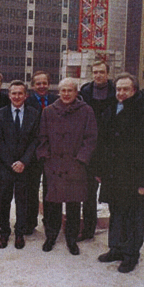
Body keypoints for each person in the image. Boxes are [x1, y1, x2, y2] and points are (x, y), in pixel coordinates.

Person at [96, 73, 144, 273]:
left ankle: (131, 254)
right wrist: (99, 170)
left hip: (134, 177)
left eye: (126, 89)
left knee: (133, 216)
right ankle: (115, 248)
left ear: (134, 90)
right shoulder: (111, 110)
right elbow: (102, 143)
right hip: (113, 175)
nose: (121, 93)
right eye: (118, 89)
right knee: (116, 213)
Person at [36, 78, 97, 255]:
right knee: (52, 203)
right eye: (63, 91)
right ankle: (51, 235)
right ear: (59, 92)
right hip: (53, 164)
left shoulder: (86, 111)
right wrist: (45, 157)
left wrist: (81, 159)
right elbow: (42, 137)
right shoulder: (49, 111)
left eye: (70, 90)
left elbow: (91, 138)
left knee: (73, 204)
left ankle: (71, 238)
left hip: (75, 165)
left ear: (76, 92)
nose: (66, 94)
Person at [0, 80, 39, 249]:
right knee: (3, 202)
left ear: (26, 95)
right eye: (14, 93)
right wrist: (11, 162)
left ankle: (19, 233)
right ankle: (4, 233)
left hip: (25, 167)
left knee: (23, 202)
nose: (17, 96)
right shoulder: (0, 113)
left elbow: (35, 140)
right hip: (5, 167)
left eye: (20, 93)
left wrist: (23, 162)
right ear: (9, 95)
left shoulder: (34, 114)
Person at [78, 60, 116, 241]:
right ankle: (88, 230)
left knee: (114, 196)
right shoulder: (85, 91)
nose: (98, 75)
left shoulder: (116, 91)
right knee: (88, 194)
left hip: (110, 148)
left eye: (101, 72)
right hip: (90, 148)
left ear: (107, 73)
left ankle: (116, 236)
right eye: (95, 72)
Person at [23, 70, 58, 234]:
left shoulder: (56, 100)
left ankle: (49, 222)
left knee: (50, 189)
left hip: (52, 153)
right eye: (38, 83)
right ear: (32, 86)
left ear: (49, 84)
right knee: (31, 189)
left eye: (44, 83)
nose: (42, 86)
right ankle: (30, 222)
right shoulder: (26, 102)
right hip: (33, 153)